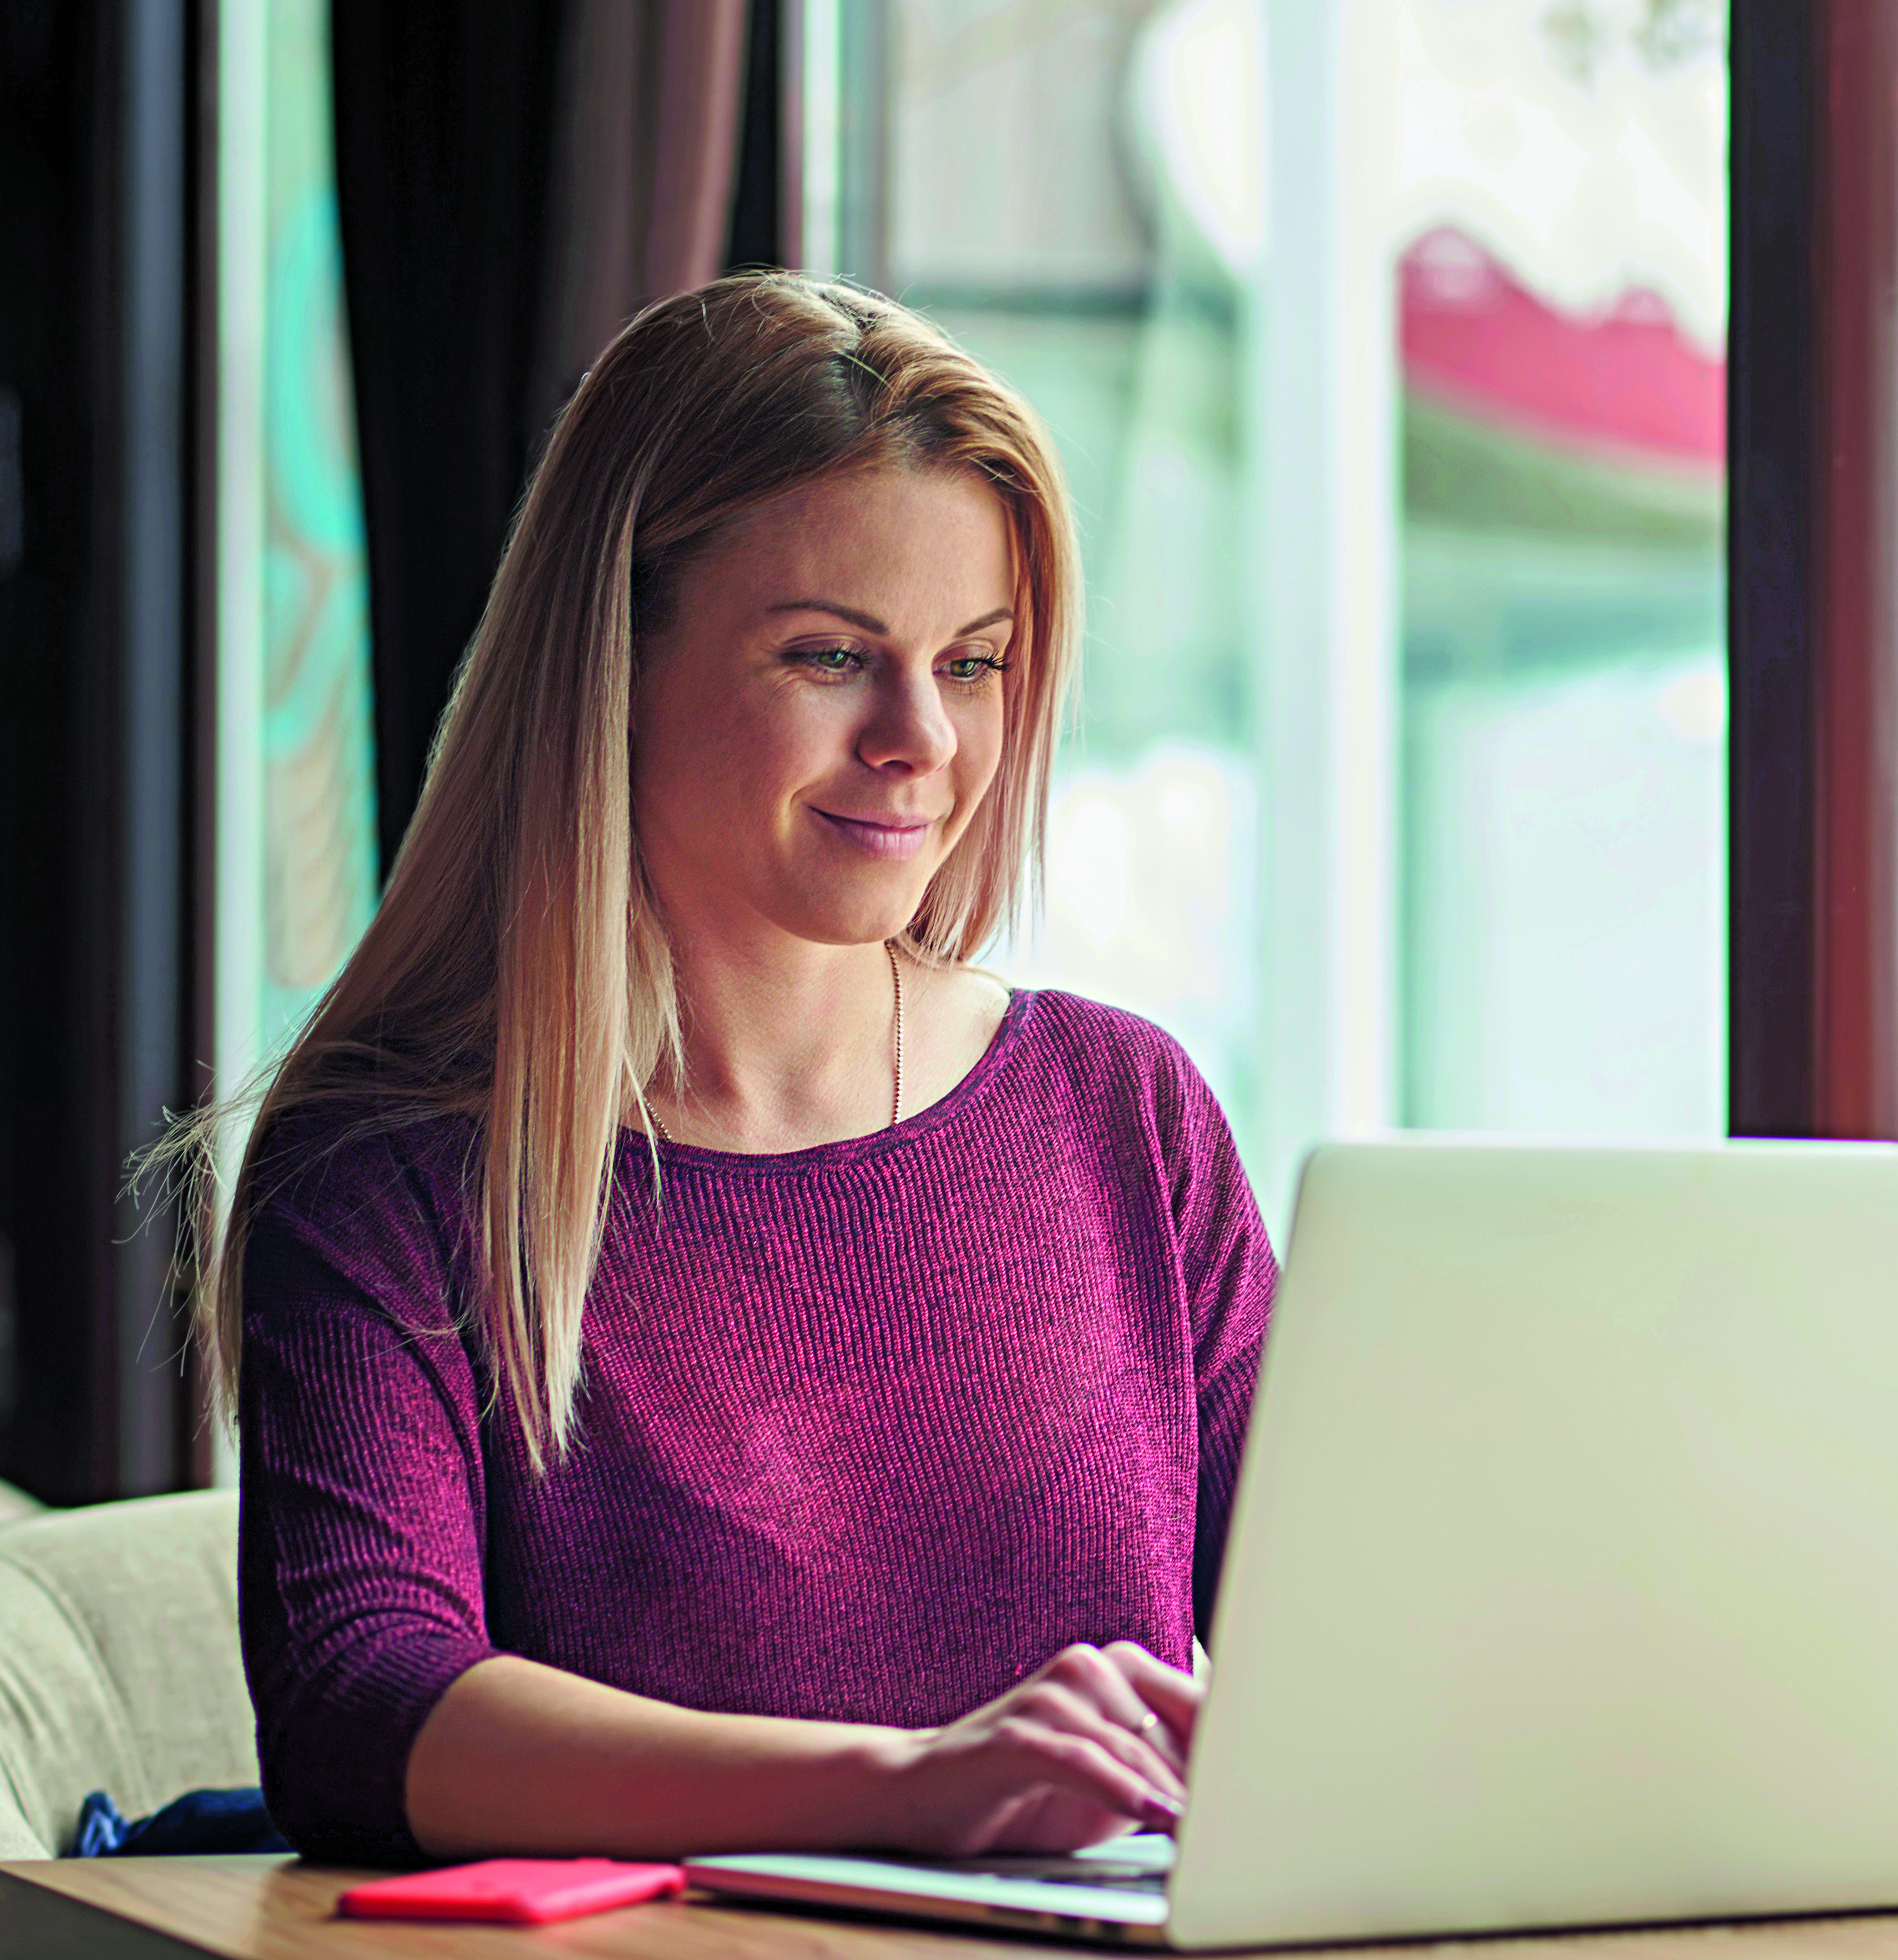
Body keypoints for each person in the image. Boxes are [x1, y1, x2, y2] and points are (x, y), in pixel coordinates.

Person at [186, 272, 1274, 1867]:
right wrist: (907, 1788)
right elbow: (363, 1707)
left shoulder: (1127, 1113)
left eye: (971, 662)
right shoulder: (396, 1173)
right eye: (833, 655)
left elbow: (1340, 1635)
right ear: (613, 663)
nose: (922, 738)